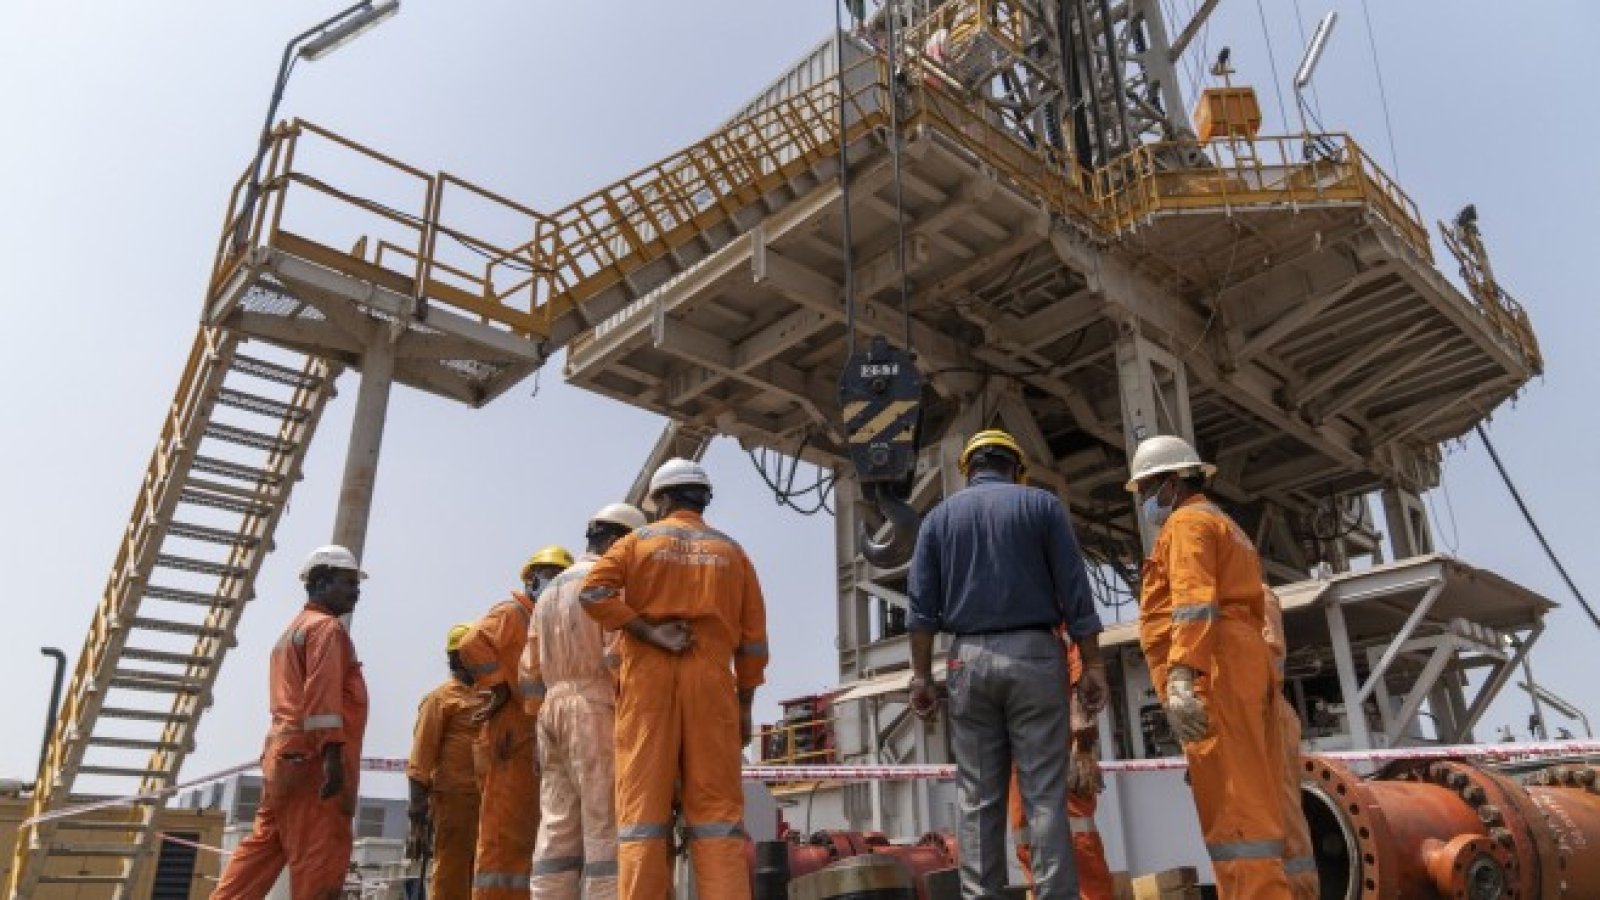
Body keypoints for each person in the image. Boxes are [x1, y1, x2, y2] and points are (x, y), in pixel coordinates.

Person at [907, 429, 1107, 900]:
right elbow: (1075, 591)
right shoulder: (1042, 506)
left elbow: (921, 609)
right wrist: (1092, 664)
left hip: (967, 661)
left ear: (968, 470)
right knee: (1045, 794)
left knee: (977, 798)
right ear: (1017, 469)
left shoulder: (937, 519)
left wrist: (922, 676)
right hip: (1036, 656)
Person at [580, 459, 769, 900]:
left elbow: (593, 592)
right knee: (717, 817)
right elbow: (753, 642)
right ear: (703, 500)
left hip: (649, 684)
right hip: (712, 686)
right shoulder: (733, 553)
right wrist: (744, 707)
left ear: (661, 499)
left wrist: (647, 630)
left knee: (643, 814)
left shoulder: (637, 543)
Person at [1127, 434, 1291, 898]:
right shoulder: (1224, 524)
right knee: (1253, 801)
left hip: (1216, 666)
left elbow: (1193, 604)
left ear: (1174, 481)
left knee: (1238, 813)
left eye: (1148, 488)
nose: (1145, 500)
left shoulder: (1187, 523)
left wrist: (1181, 677)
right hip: (1239, 662)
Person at [213, 546, 369, 900]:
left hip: (284, 755)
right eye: (348, 582)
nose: (355, 591)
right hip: (313, 759)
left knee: (264, 848)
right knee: (318, 855)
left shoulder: (294, 630)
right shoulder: (326, 629)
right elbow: (322, 694)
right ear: (321, 581)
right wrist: (331, 755)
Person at [520, 502, 647, 900]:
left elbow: (529, 672)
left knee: (556, 828)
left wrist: (539, 722)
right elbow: (617, 658)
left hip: (550, 715)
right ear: (620, 541)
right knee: (603, 823)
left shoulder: (548, 594)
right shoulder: (608, 585)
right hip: (595, 709)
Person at [458, 545, 574, 899]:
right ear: (531, 579)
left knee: (528, 829)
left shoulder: (547, 621)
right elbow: (471, 644)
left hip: (533, 733)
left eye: (560, 577)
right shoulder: (512, 613)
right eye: (549, 575)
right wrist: (497, 685)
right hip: (510, 730)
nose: (554, 582)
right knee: (502, 830)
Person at [1008, 641, 1115, 900]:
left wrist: (1081, 728)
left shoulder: (1055, 619)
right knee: (1026, 834)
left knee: (1076, 834)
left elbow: (1077, 649)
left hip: (1056, 727)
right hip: (1019, 729)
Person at [406, 623, 484, 900]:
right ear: (457, 658)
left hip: (489, 798)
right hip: (454, 799)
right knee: (452, 870)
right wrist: (417, 816)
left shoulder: (490, 696)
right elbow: (420, 760)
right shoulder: (440, 700)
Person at [1261, 587, 1319, 899]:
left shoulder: (1256, 596)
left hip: (1266, 719)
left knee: (1284, 819)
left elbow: (1270, 664)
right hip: (1247, 723)